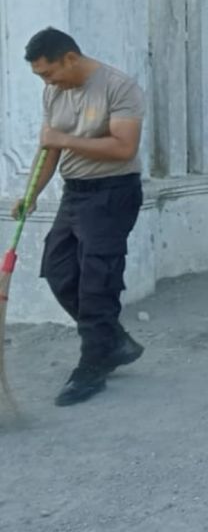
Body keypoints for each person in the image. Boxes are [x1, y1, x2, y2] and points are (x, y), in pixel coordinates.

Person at [10, 28, 146, 407]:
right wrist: (31, 194)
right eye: (40, 76)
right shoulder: (55, 92)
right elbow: (49, 149)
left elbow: (124, 148)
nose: (45, 81)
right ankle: (112, 340)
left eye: (48, 72)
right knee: (58, 270)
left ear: (70, 58)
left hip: (112, 193)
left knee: (96, 283)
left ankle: (92, 366)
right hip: (75, 193)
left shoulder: (119, 87)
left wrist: (63, 140)